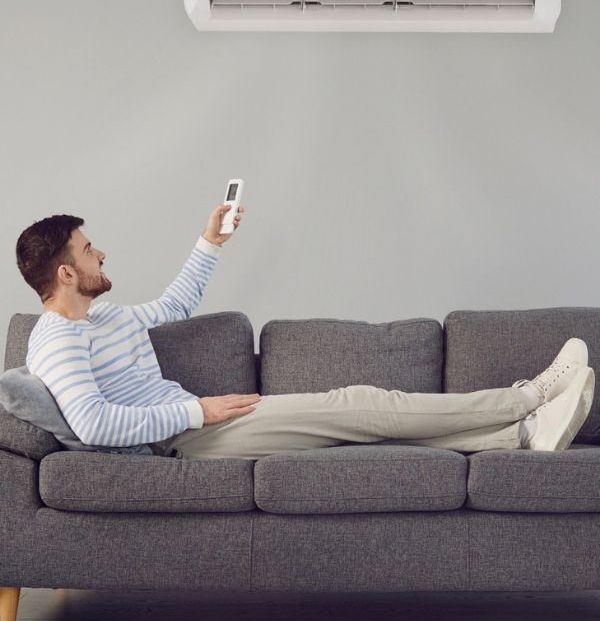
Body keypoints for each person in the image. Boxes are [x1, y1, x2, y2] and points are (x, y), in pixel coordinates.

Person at [15, 207, 595, 462]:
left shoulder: (106, 318)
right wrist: (198, 413)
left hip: (198, 423)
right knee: (361, 405)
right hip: (186, 439)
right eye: (89, 250)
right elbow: (92, 423)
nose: (101, 252)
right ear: (66, 273)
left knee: (356, 432)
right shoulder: (59, 340)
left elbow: (175, 304)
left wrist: (210, 242)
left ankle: (519, 437)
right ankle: (529, 396)